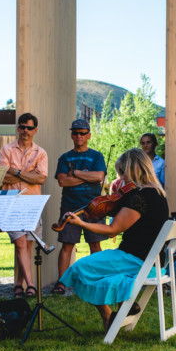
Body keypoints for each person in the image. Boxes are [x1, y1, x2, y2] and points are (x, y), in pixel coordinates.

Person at [59, 149, 171, 331]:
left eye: (122, 172)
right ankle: (122, 304)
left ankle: (108, 316)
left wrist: (81, 223)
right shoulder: (158, 194)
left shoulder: (139, 198)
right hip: (151, 261)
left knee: (80, 269)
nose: (121, 179)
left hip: (133, 261)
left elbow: (112, 230)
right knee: (97, 268)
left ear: (132, 169)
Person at [0, 113, 50, 298]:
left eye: (29, 128)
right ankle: (31, 285)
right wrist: (29, 175)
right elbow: (3, 176)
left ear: (35, 130)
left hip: (32, 204)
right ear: (18, 128)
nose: (25, 131)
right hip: (12, 203)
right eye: (22, 127)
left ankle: (18, 285)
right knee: (20, 243)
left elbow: (41, 178)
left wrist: (18, 172)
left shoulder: (41, 153)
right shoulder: (6, 150)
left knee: (27, 246)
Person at [54, 118, 106, 288]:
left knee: (95, 243)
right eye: (75, 133)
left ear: (88, 135)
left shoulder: (96, 155)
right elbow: (62, 181)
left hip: (94, 206)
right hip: (70, 206)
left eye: (82, 133)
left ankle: (96, 279)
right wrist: (87, 178)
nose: (79, 136)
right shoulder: (64, 157)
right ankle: (61, 283)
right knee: (67, 244)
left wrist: (74, 173)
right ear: (71, 135)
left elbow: (99, 177)